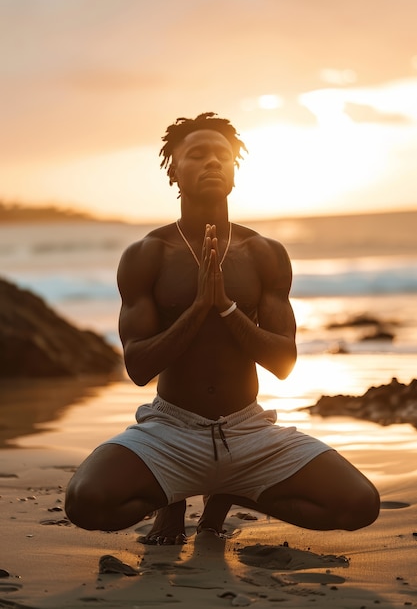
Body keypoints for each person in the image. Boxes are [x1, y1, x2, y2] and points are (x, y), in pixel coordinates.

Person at [65, 112, 380, 543]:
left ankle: (230, 487)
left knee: (359, 503)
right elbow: (138, 367)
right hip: (171, 429)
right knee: (85, 501)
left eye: (223, 155)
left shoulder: (264, 253)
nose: (213, 162)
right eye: (197, 154)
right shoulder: (147, 254)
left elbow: (284, 362)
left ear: (235, 170)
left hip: (247, 429)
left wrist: (227, 309)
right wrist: (198, 309)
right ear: (173, 170)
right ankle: (171, 496)